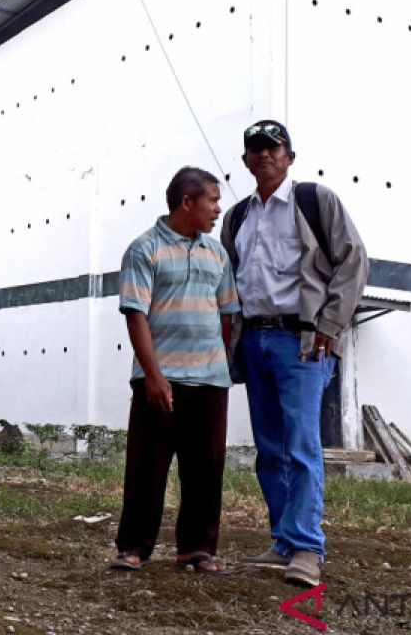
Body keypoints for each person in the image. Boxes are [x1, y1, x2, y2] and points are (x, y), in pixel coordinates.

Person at [220, 120, 368, 588]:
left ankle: (306, 547)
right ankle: (283, 542)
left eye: (273, 147)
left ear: (289, 156)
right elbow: (227, 282)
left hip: (301, 342)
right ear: (246, 160)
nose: (264, 154)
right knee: (269, 447)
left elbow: (354, 261)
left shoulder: (314, 201)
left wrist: (330, 323)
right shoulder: (238, 216)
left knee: (302, 444)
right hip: (254, 340)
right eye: (256, 149)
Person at [112, 167, 240, 574]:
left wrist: (216, 363)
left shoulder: (217, 254)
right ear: (187, 202)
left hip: (210, 381)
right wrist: (153, 375)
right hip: (159, 381)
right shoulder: (143, 249)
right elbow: (136, 316)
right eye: (212, 200)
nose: (218, 209)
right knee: (146, 469)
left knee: (206, 470)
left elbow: (226, 315)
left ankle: (197, 550)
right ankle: (134, 547)